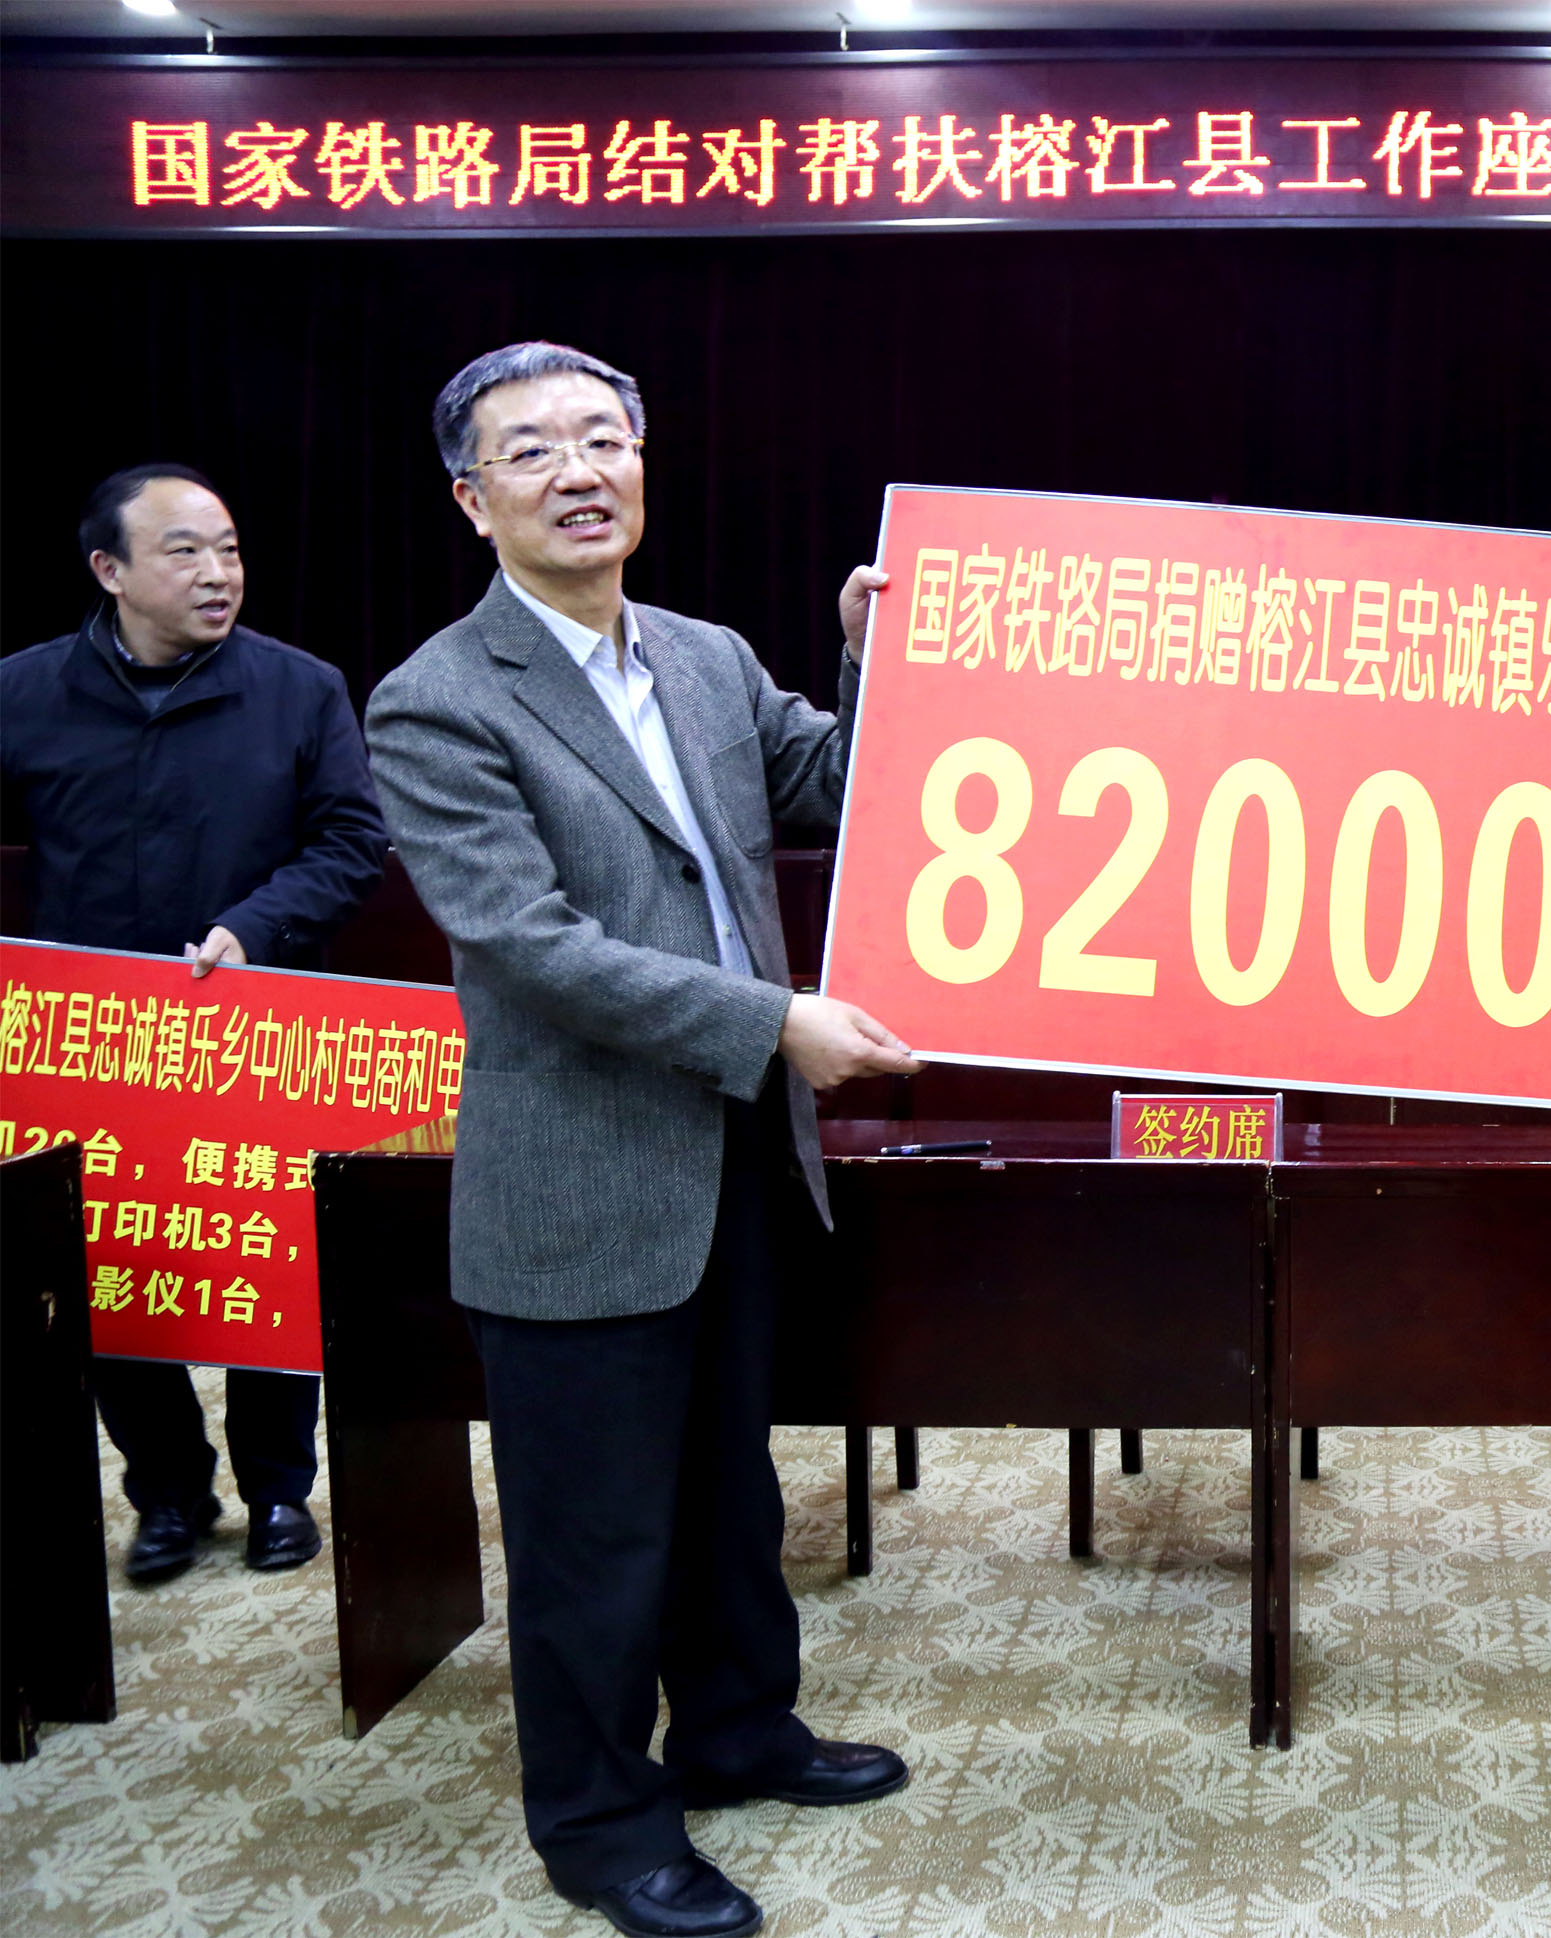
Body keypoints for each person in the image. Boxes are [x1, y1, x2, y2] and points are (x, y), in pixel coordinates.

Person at [363, 342, 920, 1938]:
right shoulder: (437, 700)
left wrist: (873, 661)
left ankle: (740, 1730)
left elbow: (843, 784)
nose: (579, 471)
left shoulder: (703, 654)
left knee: (729, 1490)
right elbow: (533, 947)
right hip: (580, 1174)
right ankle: (604, 1825)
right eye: (532, 450)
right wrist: (775, 1020)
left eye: (603, 438)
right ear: (471, 500)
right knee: (594, 1531)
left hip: (737, 1155)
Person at [1, 463, 386, 1584]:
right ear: (109, 570)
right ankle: (166, 1490)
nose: (219, 572)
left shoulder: (299, 687)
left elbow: (351, 842)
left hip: (253, 1023)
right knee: (116, 1267)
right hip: (94, 1038)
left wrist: (252, 928)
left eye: (229, 548)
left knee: (265, 1261)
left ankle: (279, 1489)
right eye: (185, 551)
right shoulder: (23, 691)